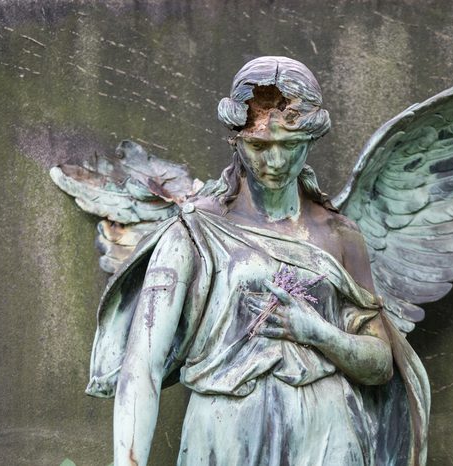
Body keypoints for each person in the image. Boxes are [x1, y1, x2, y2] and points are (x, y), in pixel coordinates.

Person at [87, 56, 427, 466]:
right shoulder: (195, 232)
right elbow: (143, 361)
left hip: (328, 438)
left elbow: (380, 364)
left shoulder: (341, 236)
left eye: (291, 146)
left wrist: (320, 333)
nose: (276, 162)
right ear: (236, 139)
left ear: (311, 141)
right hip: (224, 437)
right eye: (259, 145)